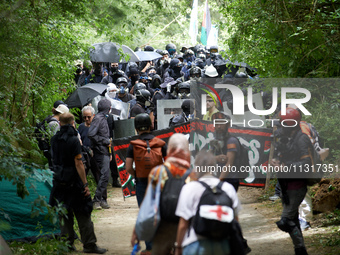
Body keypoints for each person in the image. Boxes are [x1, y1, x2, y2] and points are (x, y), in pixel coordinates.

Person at [49, 112, 106, 254]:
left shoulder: (54, 140)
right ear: (73, 123)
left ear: (60, 123)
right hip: (74, 181)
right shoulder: (74, 140)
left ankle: (67, 245)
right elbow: (78, 162)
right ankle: (89, 244)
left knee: (64, 213)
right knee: (83, 213)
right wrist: (85, 184)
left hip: (59, 181)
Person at [130, 133, 191, 255]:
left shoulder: (157, 172)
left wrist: (137, 231)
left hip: (162, 228)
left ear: (170, 150)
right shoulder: (193, 175)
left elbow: (148, 204)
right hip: (185, 229)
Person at [174, 150, 241, 255]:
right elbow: (235, 220)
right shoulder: (228, 188)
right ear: (214, 168)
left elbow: (183, 224)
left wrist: (178, 247)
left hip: (195, 244)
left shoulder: (189, 188)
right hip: (222, 244)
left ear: (196, 168)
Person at [126, 113, 167, 254]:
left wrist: (136, 175)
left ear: (136, 128)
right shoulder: (161, 143)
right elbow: (169, 164)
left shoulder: (133, 146)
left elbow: (128, 167)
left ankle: (150, 246)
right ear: (151, 126)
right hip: (159, 184)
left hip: (142, 183)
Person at [272, 107, 311, 255]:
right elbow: (278, 155)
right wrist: (276, 161)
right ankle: (300, 249)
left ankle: (300, 250)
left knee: (285, 221)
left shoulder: (301, 139)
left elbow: (306, 163)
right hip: (285, 185)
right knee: (293, 221)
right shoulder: (282, 137)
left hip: (296, 185)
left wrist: (286, 166)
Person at [88, 98, 112, 210]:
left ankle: (102, 200)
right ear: (108, 108)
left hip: (104, 151)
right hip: (100, 151)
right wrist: (105, 141)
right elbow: (91, 134)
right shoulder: (98, 118)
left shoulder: (103, 118)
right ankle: (96, 200)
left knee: (104, 176)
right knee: (104, 176)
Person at [210, 112, 241, 192]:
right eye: (216, 124)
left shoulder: (231, 141)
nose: (219, 127)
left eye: (222, 124)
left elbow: (229, 164)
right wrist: (216, 158)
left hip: (230, 181)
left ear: (228, 125)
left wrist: (218, 183)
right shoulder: (215, 141)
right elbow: (208, 158)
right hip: (219, 178)